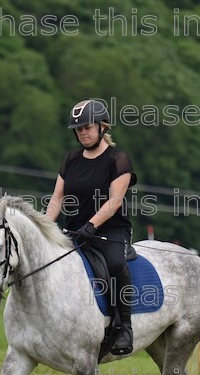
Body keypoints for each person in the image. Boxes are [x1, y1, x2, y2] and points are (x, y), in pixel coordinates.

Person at [46, 99, 138, 355]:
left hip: (111, 231)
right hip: (75, 231)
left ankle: (124, 327)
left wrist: (92, 224)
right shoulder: (70, 160)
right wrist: (44, 227)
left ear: (102, 127)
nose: (83, 132)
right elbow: (57, 199)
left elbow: (115, 200)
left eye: (87, 127)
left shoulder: (118, 160)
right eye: (78, 129)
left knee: (116, 264)